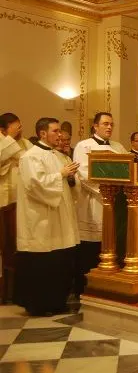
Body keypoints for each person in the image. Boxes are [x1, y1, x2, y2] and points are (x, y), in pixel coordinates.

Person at [13, 117, 80, 316]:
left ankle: (57, 302)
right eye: (55, 131)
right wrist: (61, 175)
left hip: (60, 219)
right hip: (40, 219)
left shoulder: (60, 156)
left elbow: (70, 185)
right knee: (42, 264)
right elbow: (35, 185)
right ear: (43, 133)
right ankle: (39, 305)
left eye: (60, 131)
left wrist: (71, 178)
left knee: (59, 262)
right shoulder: (30, 157)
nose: (60, 135)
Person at [72, 112, 126, 295]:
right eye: (105, 124)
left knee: (110, 245)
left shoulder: (118, 147)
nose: (109, 127)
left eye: (111, 124)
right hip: (92, 202)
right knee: (91, 248)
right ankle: (85, 290)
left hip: (115, 203)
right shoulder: (84, 146)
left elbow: (127, 170)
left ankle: (109, 287)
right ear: (95, 126)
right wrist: (108, 190)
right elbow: (84, 174)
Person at [0, 113, 33, 208]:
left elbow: (34, 160)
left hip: (21, 191)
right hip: (3, 192)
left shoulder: (25, 142)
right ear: (2, 130)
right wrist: (10, 139)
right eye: (15, 130)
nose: (19, 131)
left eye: (20, 128)